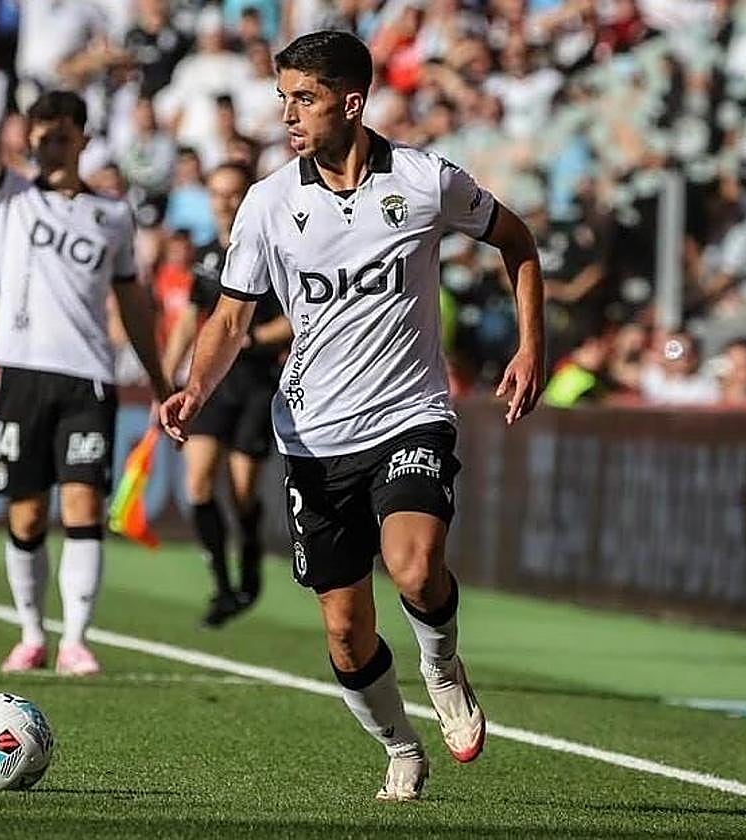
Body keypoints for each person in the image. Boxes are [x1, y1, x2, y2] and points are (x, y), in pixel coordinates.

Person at [160, 31, 545, 801]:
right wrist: (195, 388)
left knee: (413, 564)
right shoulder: (269, 203)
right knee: (344, 629)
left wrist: (533, 345)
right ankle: (400, 745)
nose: (289, 115)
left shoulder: (426, 181)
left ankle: (441, 664)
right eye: (284, 99)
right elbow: (232, 319)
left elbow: (518, 240)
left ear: (352, 102)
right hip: (312, 438)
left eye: (303, 99)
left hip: (411, 416)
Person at [0, 14, 170, 677]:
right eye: (39, 139)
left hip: (87, 376)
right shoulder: (13, 198)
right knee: (25, 510)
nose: (47, 148)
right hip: (20, 369)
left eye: (59, 138)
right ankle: (29, 631)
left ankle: (76, 637)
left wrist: (160, 379)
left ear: (81, 140)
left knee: (81, 503)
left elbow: (131, 298)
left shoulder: (112, 216)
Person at [163, 162, 291, 627]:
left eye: (232, 193)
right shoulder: (205, 255)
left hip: (256, 381)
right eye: (216, 193)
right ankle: (221, 585)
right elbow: (189, 319)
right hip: (213, 381)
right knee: (197, 482)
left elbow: (294, 321)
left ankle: (250, 569)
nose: (223, 202)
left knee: (241, 492)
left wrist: (250, 340)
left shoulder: (274, 249)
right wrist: (167, 374)